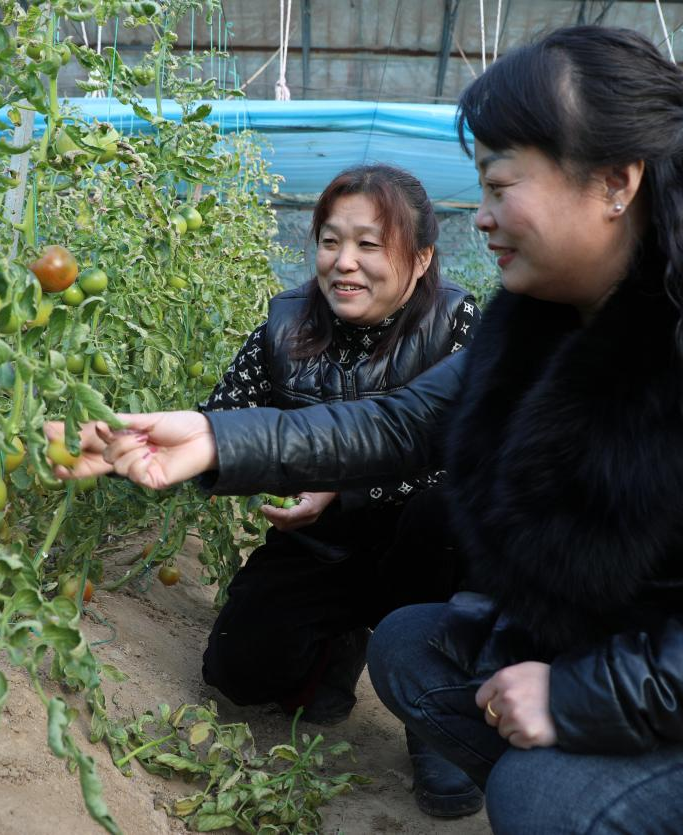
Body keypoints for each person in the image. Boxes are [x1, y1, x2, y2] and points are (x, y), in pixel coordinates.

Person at [50, 27, 683, 835]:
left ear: (617, 182)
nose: (484, 216)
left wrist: (578, 699)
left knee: (537, 796)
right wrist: (216, 436)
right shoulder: (543, 320)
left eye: (504, 184)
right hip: (634, 639)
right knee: (412, 648)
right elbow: (405, 418)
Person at [177, 164, 487, 817]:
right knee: (238, 670)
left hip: (427, 549)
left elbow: (475, 460)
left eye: (369, 244)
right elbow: (227, 421)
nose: (344, 262)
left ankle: (437, 712)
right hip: (320, 546)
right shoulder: (286, 326)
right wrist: (147, 449)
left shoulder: (460, 324)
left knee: (445, 505)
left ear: (422, 256)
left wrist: (343, 489)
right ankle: (340, 640)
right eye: (329, 240)